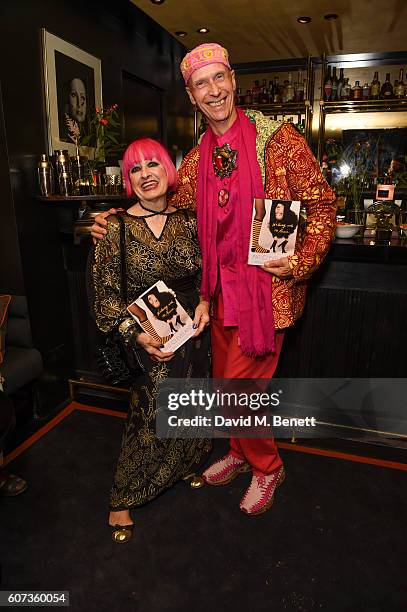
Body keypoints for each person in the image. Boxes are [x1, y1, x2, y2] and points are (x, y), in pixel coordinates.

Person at [91, 43, 336, 516]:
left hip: (265, 293)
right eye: (202, 83)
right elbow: (164, 201)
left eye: (219, 78)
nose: (214, 89)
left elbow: (322, 202)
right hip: (213, 295)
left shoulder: (278, 138)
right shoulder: (198, 155)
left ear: (234, 81)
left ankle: (267, 467)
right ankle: (241, 452)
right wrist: (116, 220)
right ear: (192, 95)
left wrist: (301, 260)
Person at [92, 137, 211, 542]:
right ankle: (122, 498)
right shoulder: (115, 229)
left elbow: (205, 274)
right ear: (128, 179)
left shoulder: (190, 220)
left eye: (152, 165)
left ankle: (182, 466)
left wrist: (206, 303)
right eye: (135, 169)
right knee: (149, 412)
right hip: (148, 332)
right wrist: (135, 335)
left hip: (192, 329)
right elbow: (105, 298)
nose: (145, 175)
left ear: (168, 169)